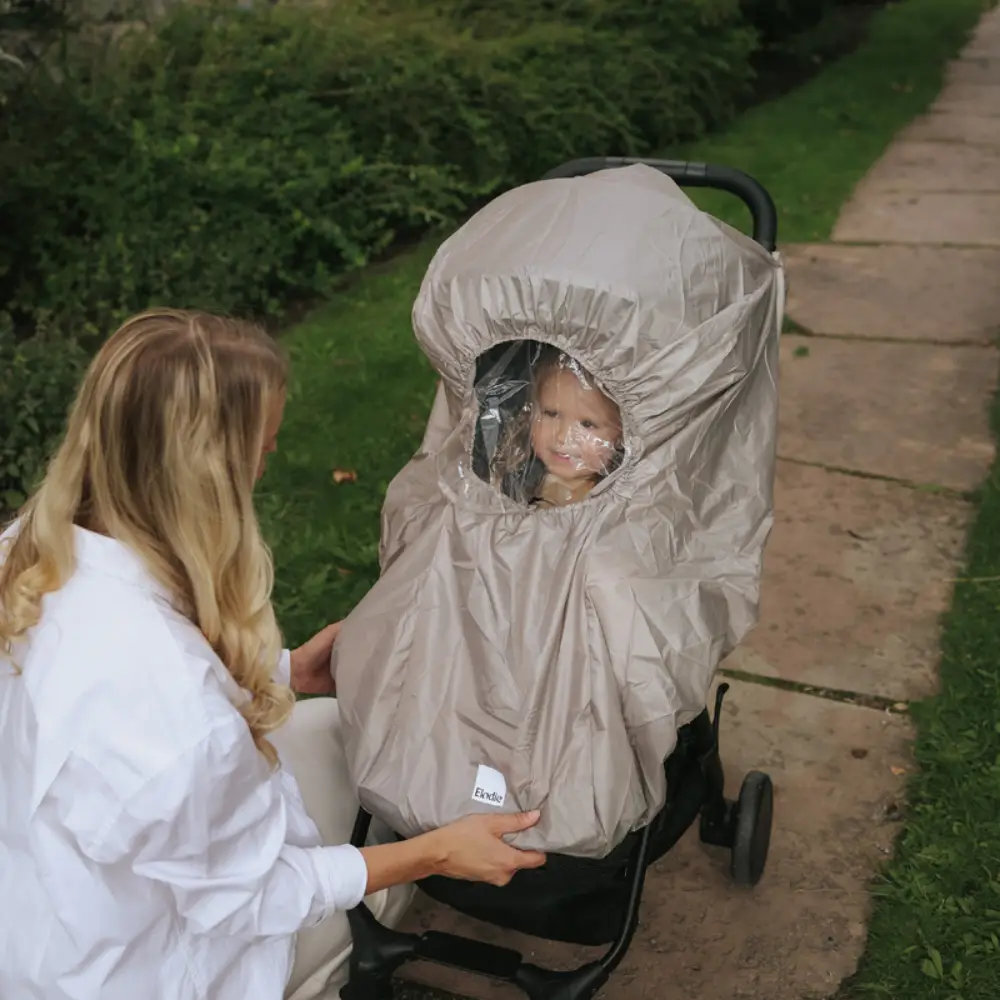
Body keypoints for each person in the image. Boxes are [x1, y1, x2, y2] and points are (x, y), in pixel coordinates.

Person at [0, 308, 546, 1000]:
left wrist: (278, 668)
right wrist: (436, 853)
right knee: (373, 796)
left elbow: (103, 714)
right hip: (140, 972)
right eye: (263, 449)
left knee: (324, 730)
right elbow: (257, 897)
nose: (272, 462)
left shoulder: (29, 553)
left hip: (38, 923)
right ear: (204, 476)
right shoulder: (176, 720)